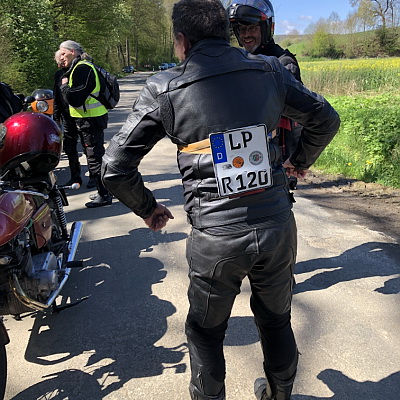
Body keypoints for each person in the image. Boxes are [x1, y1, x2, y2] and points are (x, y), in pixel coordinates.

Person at [102, 0, 340, 399]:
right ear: (225, 32)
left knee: (206, 333)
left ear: (181, 40)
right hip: (277, 226)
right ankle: (279, 394)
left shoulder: (165, 87)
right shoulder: (270, 70)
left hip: (215, 237)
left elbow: (113, 167)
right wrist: (298, 162)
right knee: (276, 320)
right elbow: (326, 118)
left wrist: (148, 207)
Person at [224, 0, 302, 189]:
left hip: (276, 161)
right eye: (241, 29)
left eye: (251, 28)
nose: (246, 35)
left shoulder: (283, 64)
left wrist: (298, 159)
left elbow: (302, 117)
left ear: (266, 28)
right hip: (243, 161)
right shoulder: (241, 62)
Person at [59, 40, 111, 207]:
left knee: (95, 158)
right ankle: (103, 190)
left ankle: (104, 195)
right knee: (95, 156)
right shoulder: (79, 67)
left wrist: (64, 86)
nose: (61, 56)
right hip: (88, 119)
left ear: (73, 52)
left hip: (91, 120)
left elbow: (75, 98)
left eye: (63, 53)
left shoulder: (83, 68)